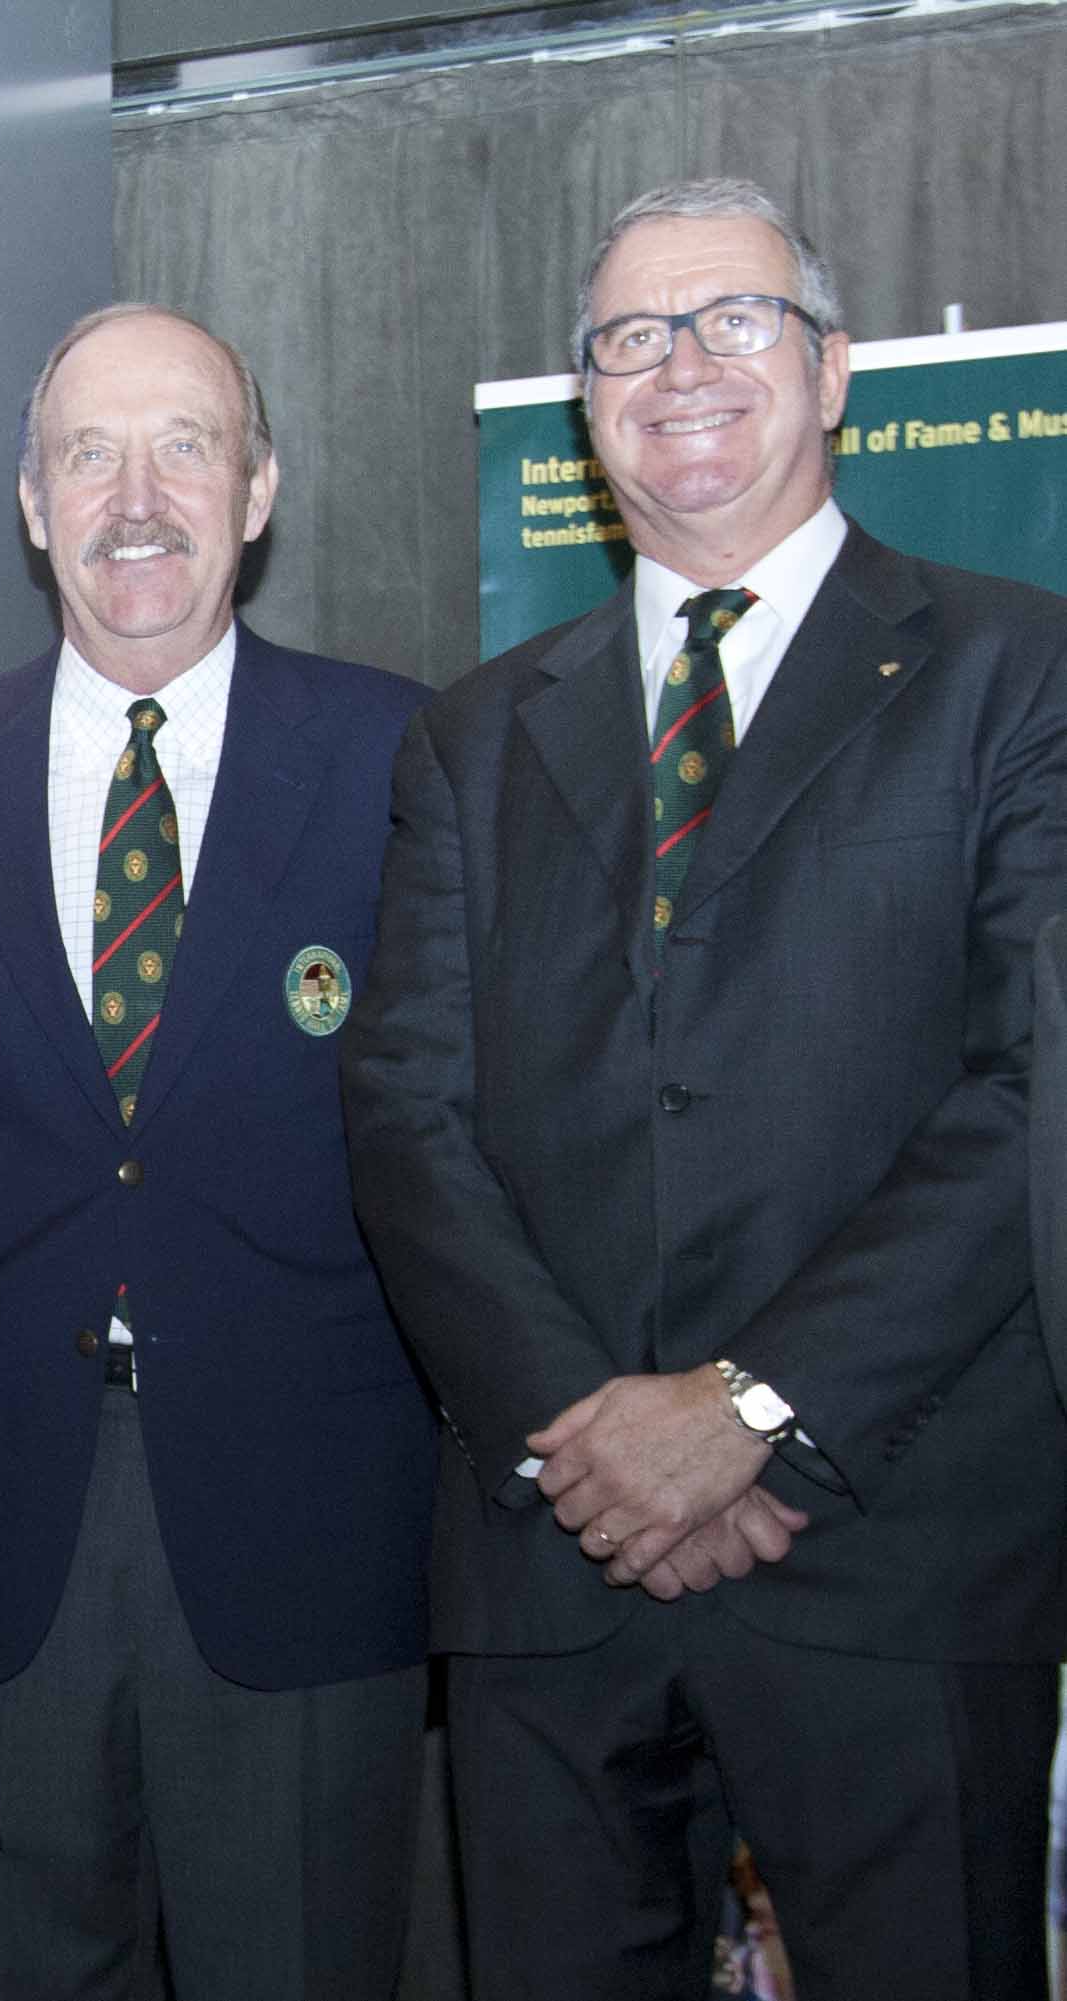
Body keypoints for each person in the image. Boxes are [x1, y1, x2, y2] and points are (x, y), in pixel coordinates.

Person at [341, 178, 1067, 2000]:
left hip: (893, 1542)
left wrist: (750, 1408)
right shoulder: (473, 732)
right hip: (553, 1553)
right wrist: (598, 1437)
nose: (682, 367)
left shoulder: (1019, 670)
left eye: (734, 320)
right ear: (587, 411)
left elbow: (1031, 1086)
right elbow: (409, 1111)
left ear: (832, 374)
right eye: (629, 339)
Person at [0, 303, 436, 1999]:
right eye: (88, 453)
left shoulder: (410, 754)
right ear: (29, 504)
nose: (136, 494)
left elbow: (453, 1141)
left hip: (311, 1527)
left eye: (185, 445)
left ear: (258, 489)